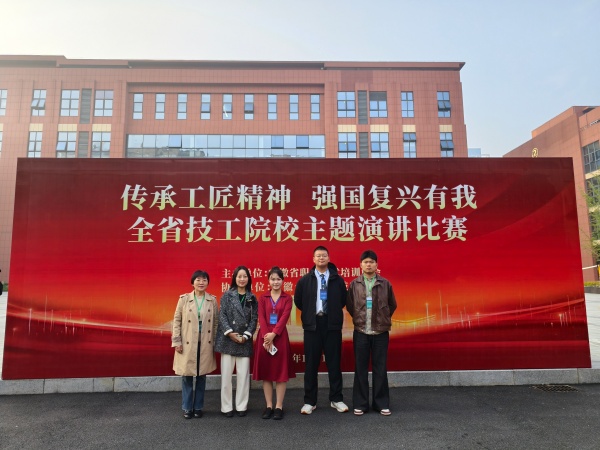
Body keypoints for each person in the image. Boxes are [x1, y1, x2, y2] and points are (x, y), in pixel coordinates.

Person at [294, 245, 348, 415]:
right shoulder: (305, 280)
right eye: (318, 256)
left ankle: (336, 399)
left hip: (332, 325)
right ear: (313, 259)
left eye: (324, 255)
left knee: (334, 363)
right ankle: (310, 401)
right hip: (313, 326)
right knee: (311, 365)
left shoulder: (337, 280)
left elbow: (343, 300)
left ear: (329, 258)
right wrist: (311, 314)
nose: (321, 258)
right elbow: (299, 301)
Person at [346, 250, 397, 416]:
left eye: (371, 262)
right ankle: (360, 404)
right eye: (366, 262)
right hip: (361, 331)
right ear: (360, 265)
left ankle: (381, 403)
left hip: (380, 332)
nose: (368, 265)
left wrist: (382, 319)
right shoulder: (354, 284)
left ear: (376, 265)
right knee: (360, 368)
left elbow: (392, 305)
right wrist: (360, 319)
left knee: (380, 368)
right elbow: (350, 305)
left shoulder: (385, 284)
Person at [171, 270, 219, 419]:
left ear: (208, 283)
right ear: (193, 282)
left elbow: (216, 323)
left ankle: (198, 407)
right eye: (198, 280)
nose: (201, 282)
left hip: (205, 343)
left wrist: (215, 343)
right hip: (187, 344)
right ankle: (187, 408)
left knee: (201, 376)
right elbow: (177, 321)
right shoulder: (184, 299)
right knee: (187, 376)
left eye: (204, 280)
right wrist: (177, 341)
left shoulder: (212, 300)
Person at [252, 266, 296, 420]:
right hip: (264, 338)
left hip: (280, 336)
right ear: (268, 281)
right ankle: (269, 405)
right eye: (273, 279)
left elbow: (284, 318)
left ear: (283, 281)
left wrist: (273, 334)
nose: (275, 282)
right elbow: (261, 317)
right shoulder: (263, 297)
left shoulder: (287, 298)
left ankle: (279, 406)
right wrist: (266, 336)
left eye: (278, 279)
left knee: (280, 374)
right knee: (267, 373)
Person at [215, 266, 258, 418]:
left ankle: (241, 406)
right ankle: (226, 407)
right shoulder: (227, 295)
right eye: (239, 276)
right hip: (228, 339)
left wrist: (246, 335)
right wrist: (229, 333)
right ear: (234, 278)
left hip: (244, 340)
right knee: (226, 377)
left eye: (245, 276)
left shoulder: (252, 297)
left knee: (243, 376)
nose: (242, 279)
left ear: (248, 279)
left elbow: (254, 319)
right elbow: (222, 316)